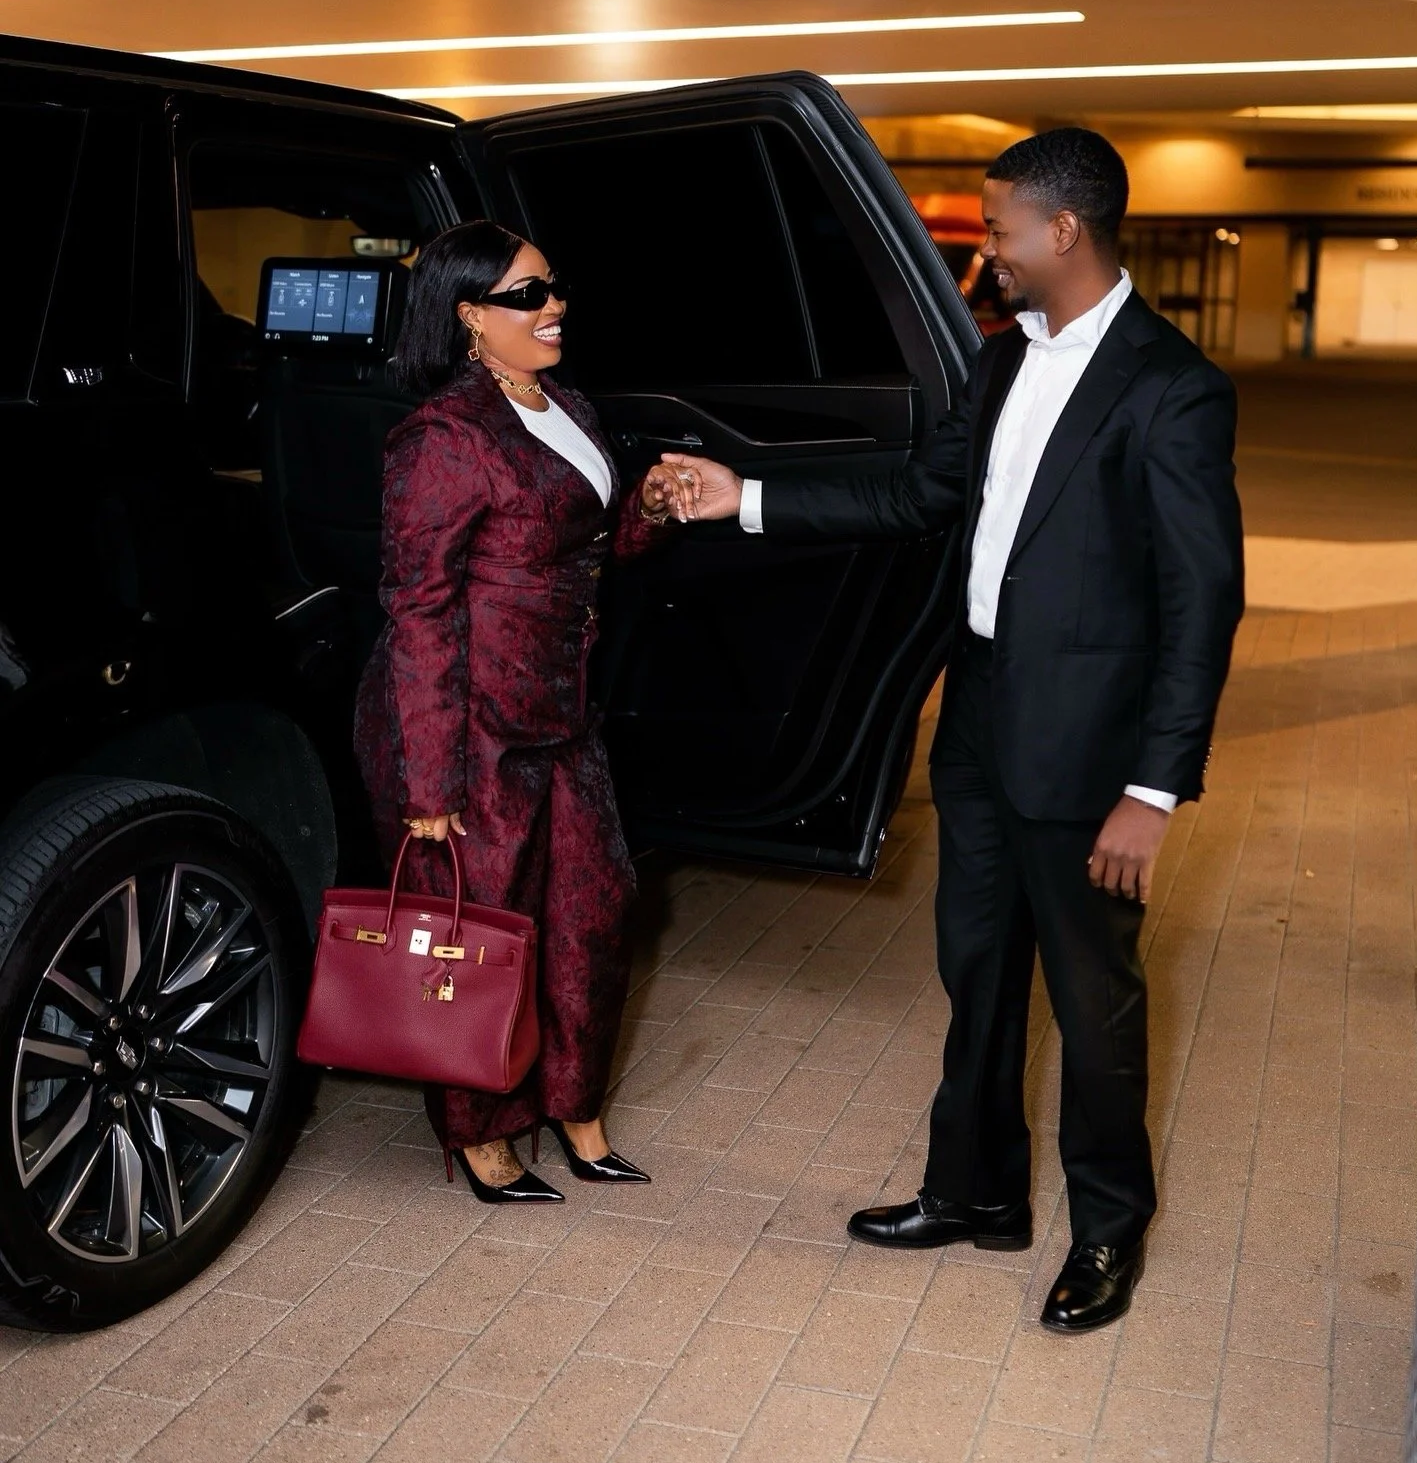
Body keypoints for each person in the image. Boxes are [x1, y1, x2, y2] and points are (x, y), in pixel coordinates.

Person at [666, 128, 1244, 1331]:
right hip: (979, 725)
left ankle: (1105, 1235)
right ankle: (975, 1196)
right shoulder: (996, 364)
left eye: (997, 228)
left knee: (1096, 1008)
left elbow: (1203, 603)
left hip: (1088, 758)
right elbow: (917, 495)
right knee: (976, 977)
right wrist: (745, 496)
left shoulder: (1173, 386)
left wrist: (1154, 788)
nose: (990, 247)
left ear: (1062, 231)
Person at [354, 221, 697, 1204]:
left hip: (561, 710)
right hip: (466, 724)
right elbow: (418, 611)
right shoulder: (441, 439)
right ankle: (479, 1131)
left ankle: (574, 1109)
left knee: (592, 914)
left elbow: (580, 549)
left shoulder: (569, 406)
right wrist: (429, 781)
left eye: (553, 289)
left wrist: (652, 508)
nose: (553, 308)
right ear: (467, 317)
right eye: (525, 296)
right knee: (480, 932)